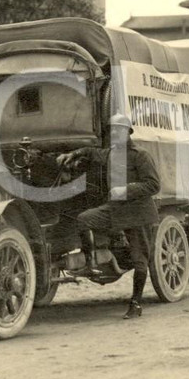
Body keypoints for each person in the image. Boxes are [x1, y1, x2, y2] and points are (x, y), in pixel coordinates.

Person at [57, 114, 160, 319]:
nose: (114, 134)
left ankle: (136, 303)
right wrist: (74, 153)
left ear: (127, 132)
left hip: (137, 213)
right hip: (115, 210)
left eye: (118, 130)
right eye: (112, 130)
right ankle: (91, 262)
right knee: (84, 219)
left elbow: (154, 185)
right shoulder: (112, 153)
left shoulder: (140, 155)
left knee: (140, 261)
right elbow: (92, 153)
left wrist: (125, 190)